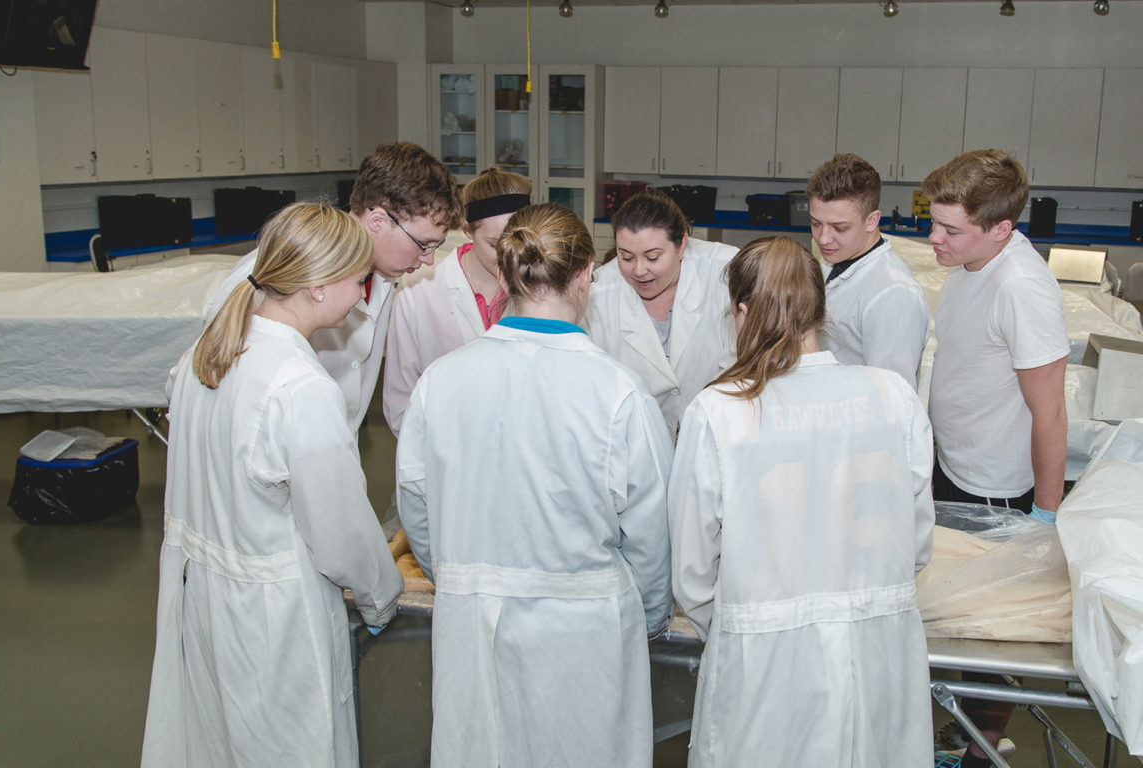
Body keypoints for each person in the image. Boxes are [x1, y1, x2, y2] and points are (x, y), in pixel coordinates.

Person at [396, 203, 673, 768]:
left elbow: (417, 510)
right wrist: (648, 617)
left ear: (503, 275)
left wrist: (462, 579)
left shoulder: (441, 382)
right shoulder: (618, 392)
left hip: (472, 622)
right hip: (585, 631)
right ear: (585, 275)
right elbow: (650, 535)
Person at [141, 203, 404, 768]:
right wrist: (380, 598)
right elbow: (340, 532)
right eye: (360, 280)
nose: (364, 295)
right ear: (315, 286)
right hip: (274, 618)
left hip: (204, 599)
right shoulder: (300, 386)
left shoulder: (201, 357)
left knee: (215, 744)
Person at [668, 235, 935, 767]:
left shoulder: (721, 410)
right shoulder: (891, 396)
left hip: (763, 661)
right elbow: (918, 539)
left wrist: (733, 624)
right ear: (820, 309)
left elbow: (694, 569)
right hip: (877, 647)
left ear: (742, 312)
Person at [924, 150, 1069, 766]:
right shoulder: (971, 263)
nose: (934, 238)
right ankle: (958, 732)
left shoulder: (1021, 287)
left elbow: (1051, 412)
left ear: (1001, 229)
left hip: (993, 488)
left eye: (950, 229)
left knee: (984, 630)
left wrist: (1045, 514)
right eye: (933, 222)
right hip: (952, 464)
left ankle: (977, 747)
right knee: (947, 617)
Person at [205, 142, 463, 435]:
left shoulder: (382, 275)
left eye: (436, 246)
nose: (428, 259)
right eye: (423, 244)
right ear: (378, 220)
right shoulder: (266, 273)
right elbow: (208, 386)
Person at [382, 166, 531, 437]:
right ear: (467, 231)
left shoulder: (538, 284)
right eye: (495, 244)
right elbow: (400, 398)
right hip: (444, 452)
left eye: (517, 243)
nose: (508, 257)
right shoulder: (421, 286)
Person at [584, 190, 739, 440]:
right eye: (626, 257)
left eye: (653, 257)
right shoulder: (600, 291)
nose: (639, 270)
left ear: (682, 246)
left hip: (716, 436)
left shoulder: (725, 271)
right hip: (636, 444)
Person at [806, 153, 931, 388]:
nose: (823, 238)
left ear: (872, 221)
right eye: (815, 223)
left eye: (839, 228)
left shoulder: (893, 294)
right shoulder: (831, 265)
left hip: (857, 421)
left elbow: (891, 397)